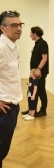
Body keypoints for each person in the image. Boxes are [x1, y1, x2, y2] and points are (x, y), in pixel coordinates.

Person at [0, 10, 24, 168]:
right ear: (2, 28)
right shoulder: (1, 48)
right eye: (14, 25)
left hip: (12, 105)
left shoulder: (12, 47)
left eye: (20, 24)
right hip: (4, 108)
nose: (19, 28)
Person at [21, 26, 49, 117]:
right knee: (32, 90)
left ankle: (43, 110)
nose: (29, 35)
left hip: (39, 72)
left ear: (35, 34)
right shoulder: (37, 43)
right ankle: (32, 109)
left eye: (30, 33)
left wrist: (38, 69)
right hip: (34, 72)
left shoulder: (43, 43)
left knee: (40, 91)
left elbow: (44, 58)